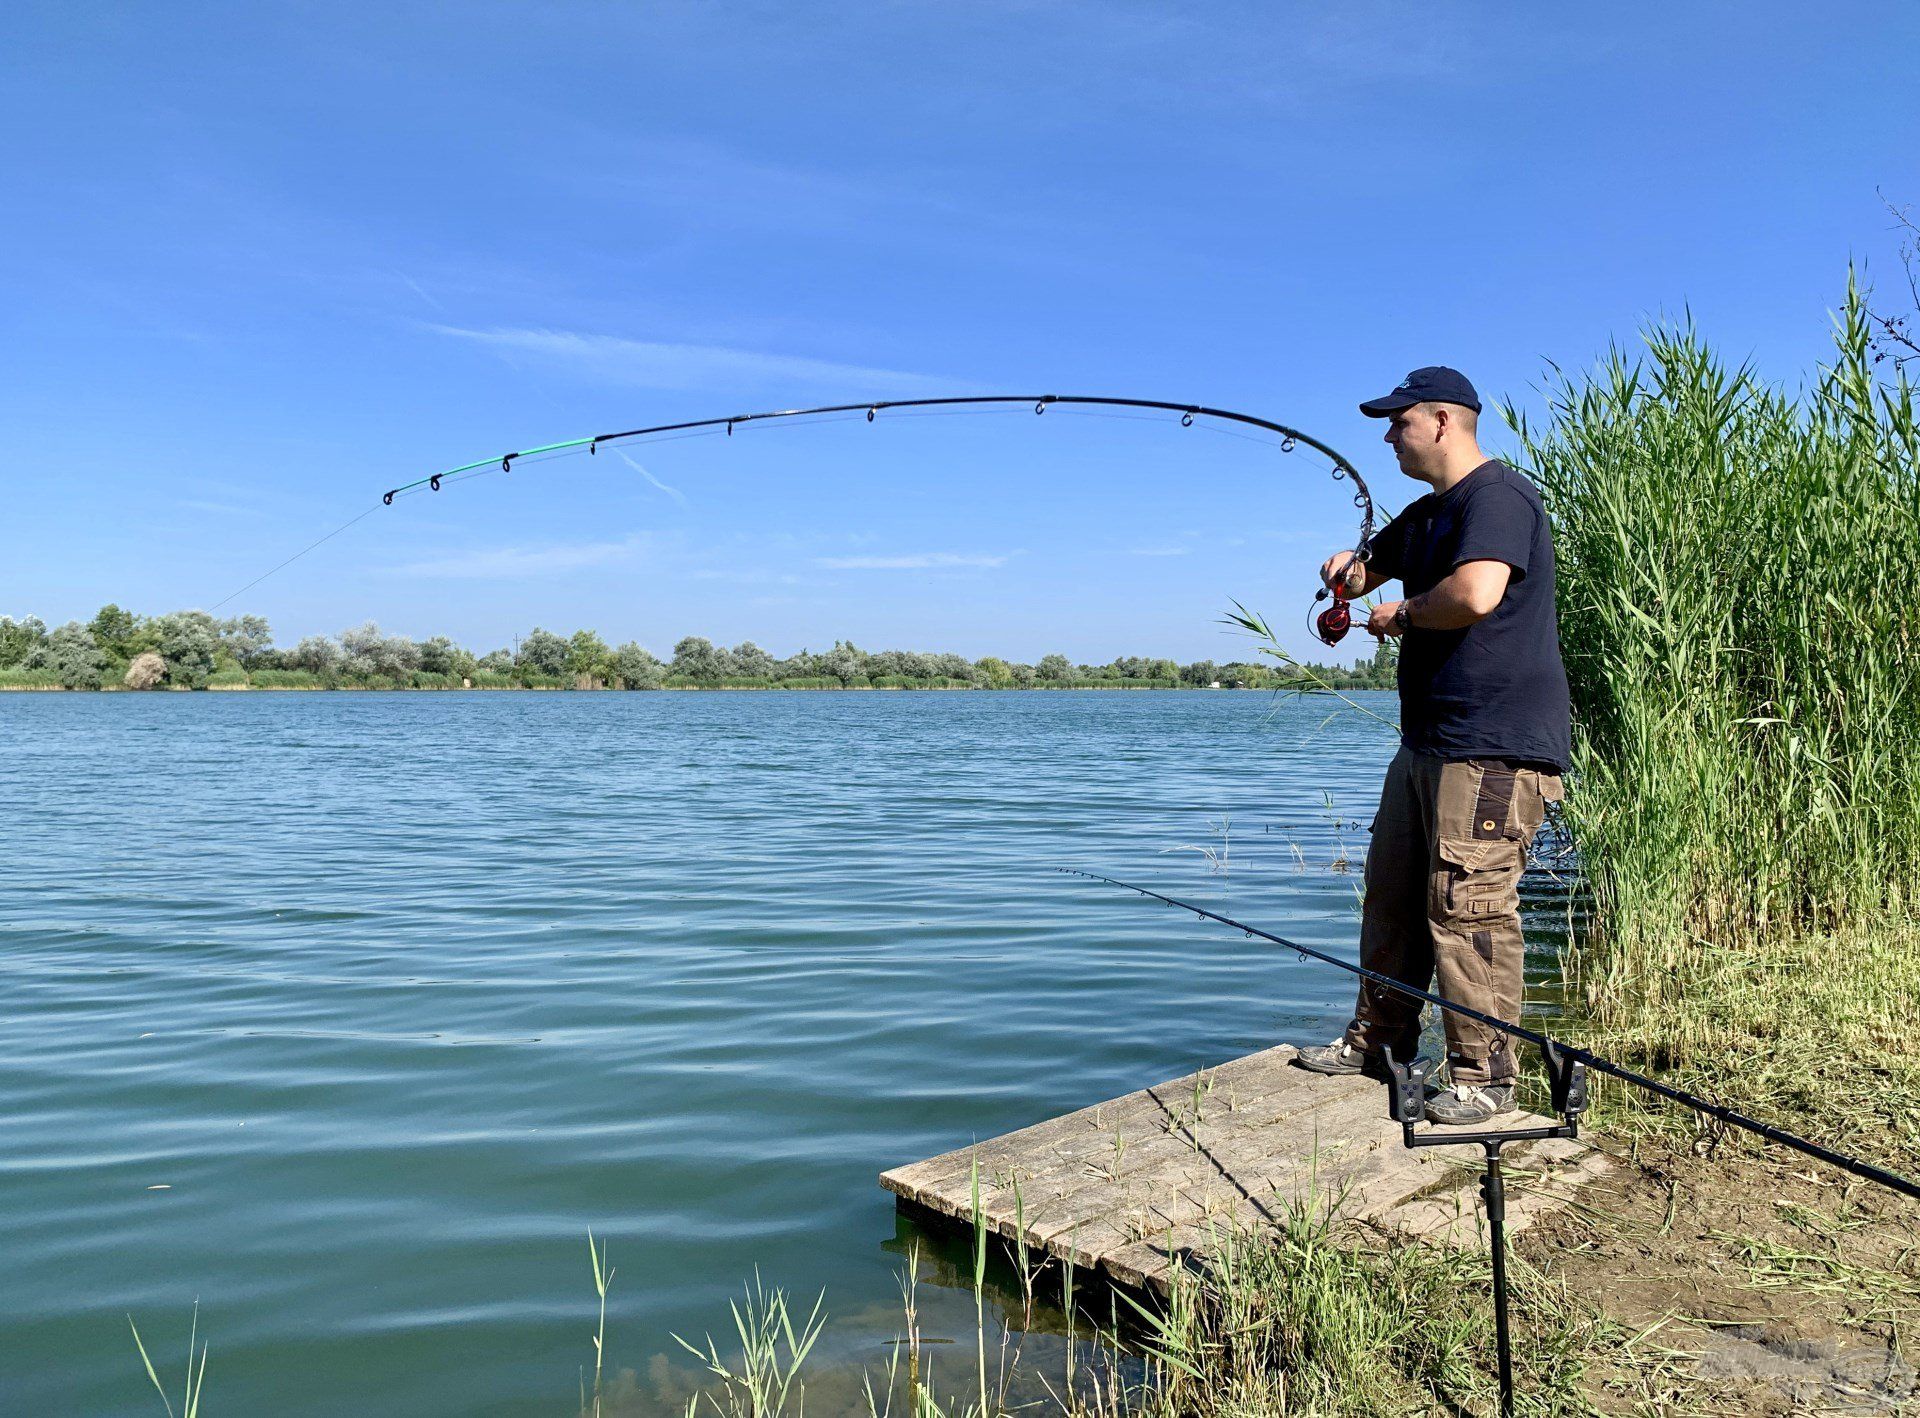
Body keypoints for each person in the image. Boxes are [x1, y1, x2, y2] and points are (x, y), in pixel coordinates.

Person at [1296, 366, 1570, 1124]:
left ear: (1444, 421)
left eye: (1398, 422)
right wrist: (1346, 575)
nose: (1388, 435)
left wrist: (1402, 614)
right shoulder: (1426, 514)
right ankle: (1380, 1043)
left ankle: (1484, 1078)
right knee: (1392, 894)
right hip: (1428, 742)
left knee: (1469, 906)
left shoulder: (1500, 497)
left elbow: (1476, 593)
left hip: (1493, 745)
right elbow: (1358, 577)